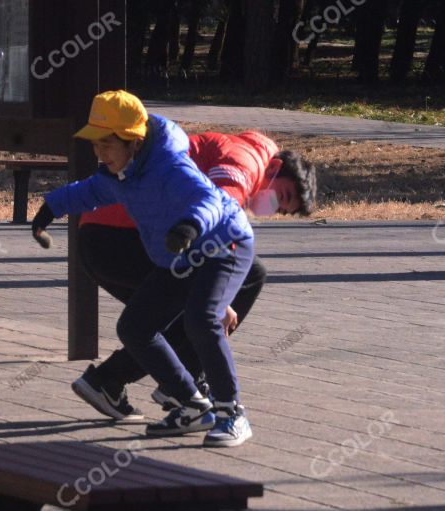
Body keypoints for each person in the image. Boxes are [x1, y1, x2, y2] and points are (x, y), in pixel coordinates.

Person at [31, 90, 255, 447]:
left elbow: (209, 200)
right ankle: (194, 406)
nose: (100, 154)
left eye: (107, 145)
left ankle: (232, 414)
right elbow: (90, 191)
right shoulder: (118, 172)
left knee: (201, 320)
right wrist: (50, 208)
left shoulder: (169, 165)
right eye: (95, 145)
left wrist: (190, 226)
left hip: (222, 244)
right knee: (135, 328)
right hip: (179, 256)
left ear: (133, 141)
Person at [71, 131, 317, 421]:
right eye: (281, 196)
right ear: (275, 169)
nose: (273, 207)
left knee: (166, 318)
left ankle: (114, 382)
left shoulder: (249, 153)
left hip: (100, 237)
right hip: (122, 237)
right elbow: (214, 210)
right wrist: (216, 297)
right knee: (248, 275)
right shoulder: (244, 162)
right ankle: (180, 386)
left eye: (281, 210)